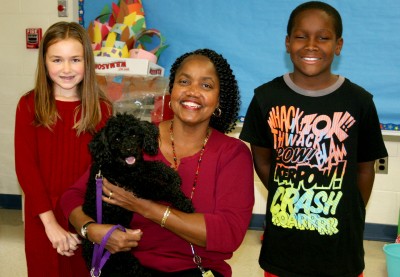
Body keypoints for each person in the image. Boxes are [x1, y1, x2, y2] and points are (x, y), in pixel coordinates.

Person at [59, 48, 255, 276]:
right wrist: (90, 229)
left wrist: (142, 206)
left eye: (206, 85)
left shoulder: (232, 154)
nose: (192, 92)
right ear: (171, 91)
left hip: (197, 269)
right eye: (184, 81)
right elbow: (71, 196)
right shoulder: (136, 140)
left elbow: (227, 234)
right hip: (131, 268)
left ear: (220, 99)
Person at [239, 2, 388, 277]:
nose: (311, 45)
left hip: (340, 250)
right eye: (301, 36)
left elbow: (366, 167)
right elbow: (261, 159)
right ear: (287, 42)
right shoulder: (266, 98)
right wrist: (289, 199)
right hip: (282, 248)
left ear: (338, 45)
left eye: (323, 37)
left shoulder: (359, 102)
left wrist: (349, 209)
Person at [14, 21, 112, 277]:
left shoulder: (102, 110)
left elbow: (103, 170)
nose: (66, 69)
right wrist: (51, 226)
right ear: (44, 63)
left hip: (86, 217)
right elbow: (26, 169)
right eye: (57, 60)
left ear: (87, 63)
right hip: (43, 216)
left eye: (75, 59)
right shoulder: (28, 105)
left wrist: (86, 224)